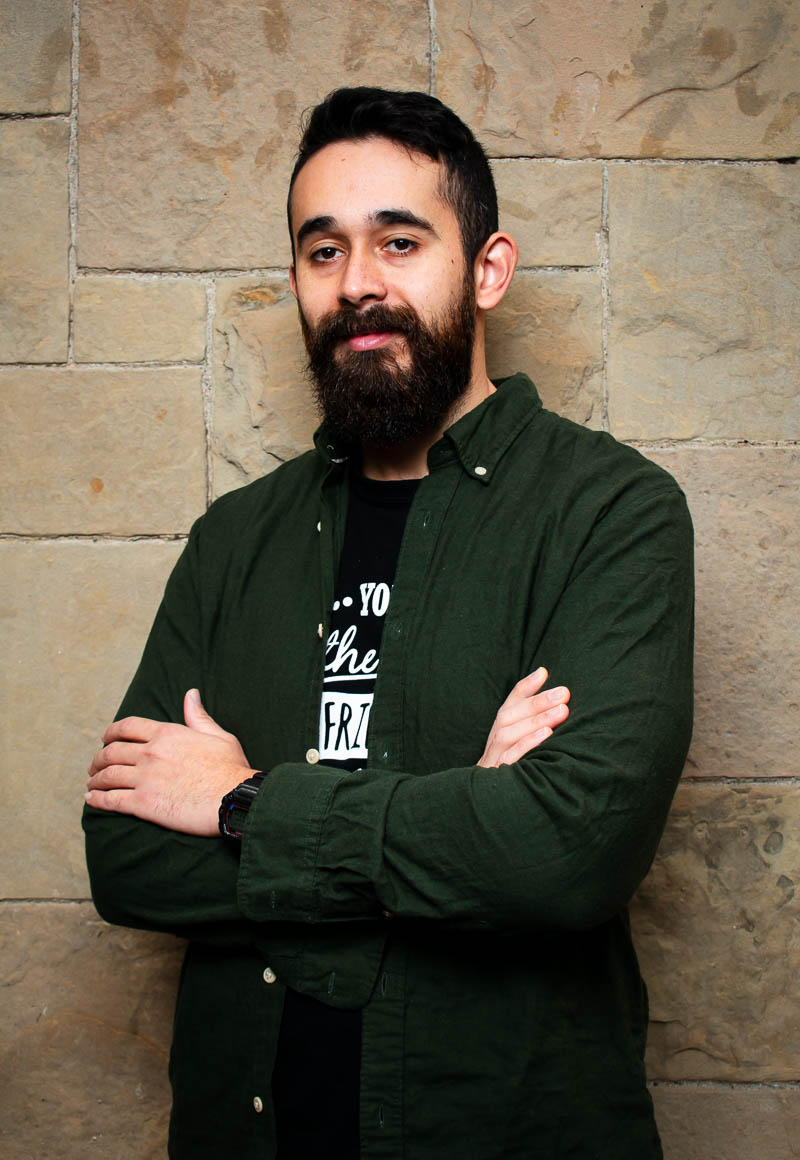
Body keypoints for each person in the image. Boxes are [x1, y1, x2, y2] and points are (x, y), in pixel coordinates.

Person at [83, 86, 694, 1160]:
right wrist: (464, 818)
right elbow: (125, 858)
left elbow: (562, 860)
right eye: (322, 252)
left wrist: (238, 803)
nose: (357, 283)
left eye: (399, 241)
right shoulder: (233, 539)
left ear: (486, 269)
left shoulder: (608, 512)